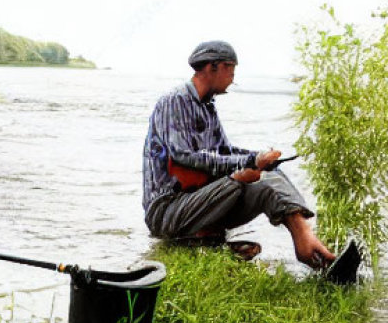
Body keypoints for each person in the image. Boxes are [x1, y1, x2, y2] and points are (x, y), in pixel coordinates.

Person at [142, 40, 335, 269]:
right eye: (230, 70)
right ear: (213, 67)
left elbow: (225, 151)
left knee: (269, 176)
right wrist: (249, 163)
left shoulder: (207, 106)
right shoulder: (173, 101)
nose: (233, 78)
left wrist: (261, 158)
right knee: (241, 178)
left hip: (203, 201)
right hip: (169, 211)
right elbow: (184, 155)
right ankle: (203, 242)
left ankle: (306, 242)